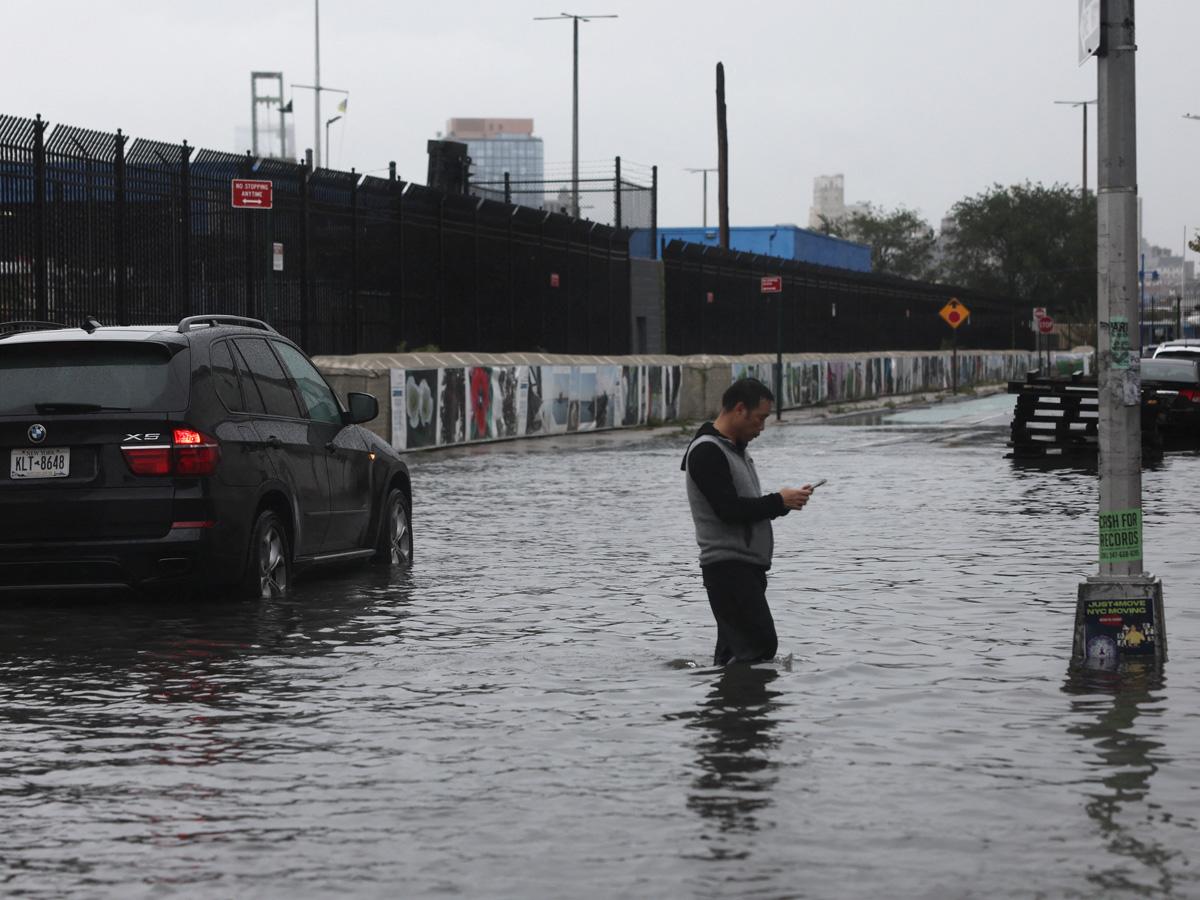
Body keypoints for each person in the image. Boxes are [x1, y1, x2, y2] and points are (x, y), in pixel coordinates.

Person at [680, 378, 813, 666]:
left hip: (743, 569)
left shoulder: (733, 449)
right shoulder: (707, 451)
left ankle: (727, 707)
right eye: (760, 418)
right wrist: (778, 501)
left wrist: (784, 504)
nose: (762, 427)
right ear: (740, 409)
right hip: (728, 569)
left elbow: (745, 508)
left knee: (733, 655)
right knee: (761, 644)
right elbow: (728, 510)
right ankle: (747, 709)